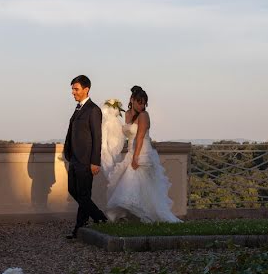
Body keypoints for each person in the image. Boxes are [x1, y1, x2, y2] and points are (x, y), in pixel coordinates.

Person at [101, 85, 182, 223]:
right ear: (132, 100)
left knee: (134, 183)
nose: (142, 105)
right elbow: (125, 133)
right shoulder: (127, 114)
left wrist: (136, 157)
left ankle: (145, 215)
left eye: (144, 103)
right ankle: (132, 216)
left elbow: (139, 137)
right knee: (134, 185)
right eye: (139, 102)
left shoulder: (144, 116)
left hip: (142, 151)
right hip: (131, 152)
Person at [62, 75, 108, 239]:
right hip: (74, 159)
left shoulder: (93, 110)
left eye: (76, 89)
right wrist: (67, 152)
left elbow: (97, 137)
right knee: (74, 191)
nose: (73, 92)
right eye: (72, 89)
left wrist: (95, 162)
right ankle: (96, 219)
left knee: (83, 194)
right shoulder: (78, 108)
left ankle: (85, 225)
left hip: (87, 161)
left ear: (86, 89)